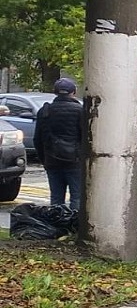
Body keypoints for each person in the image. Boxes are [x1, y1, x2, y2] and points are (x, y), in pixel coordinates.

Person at [34, 78, 85, 211]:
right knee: (77, 197)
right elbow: (85, 138)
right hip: (74, 160)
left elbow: (37, 139)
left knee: (56, 198)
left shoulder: (45, 111)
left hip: (52, 160)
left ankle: (58, 226)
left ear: (55, 92)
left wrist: (44, 160)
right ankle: (74, 227)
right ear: (73, 92)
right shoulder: (80, 111)